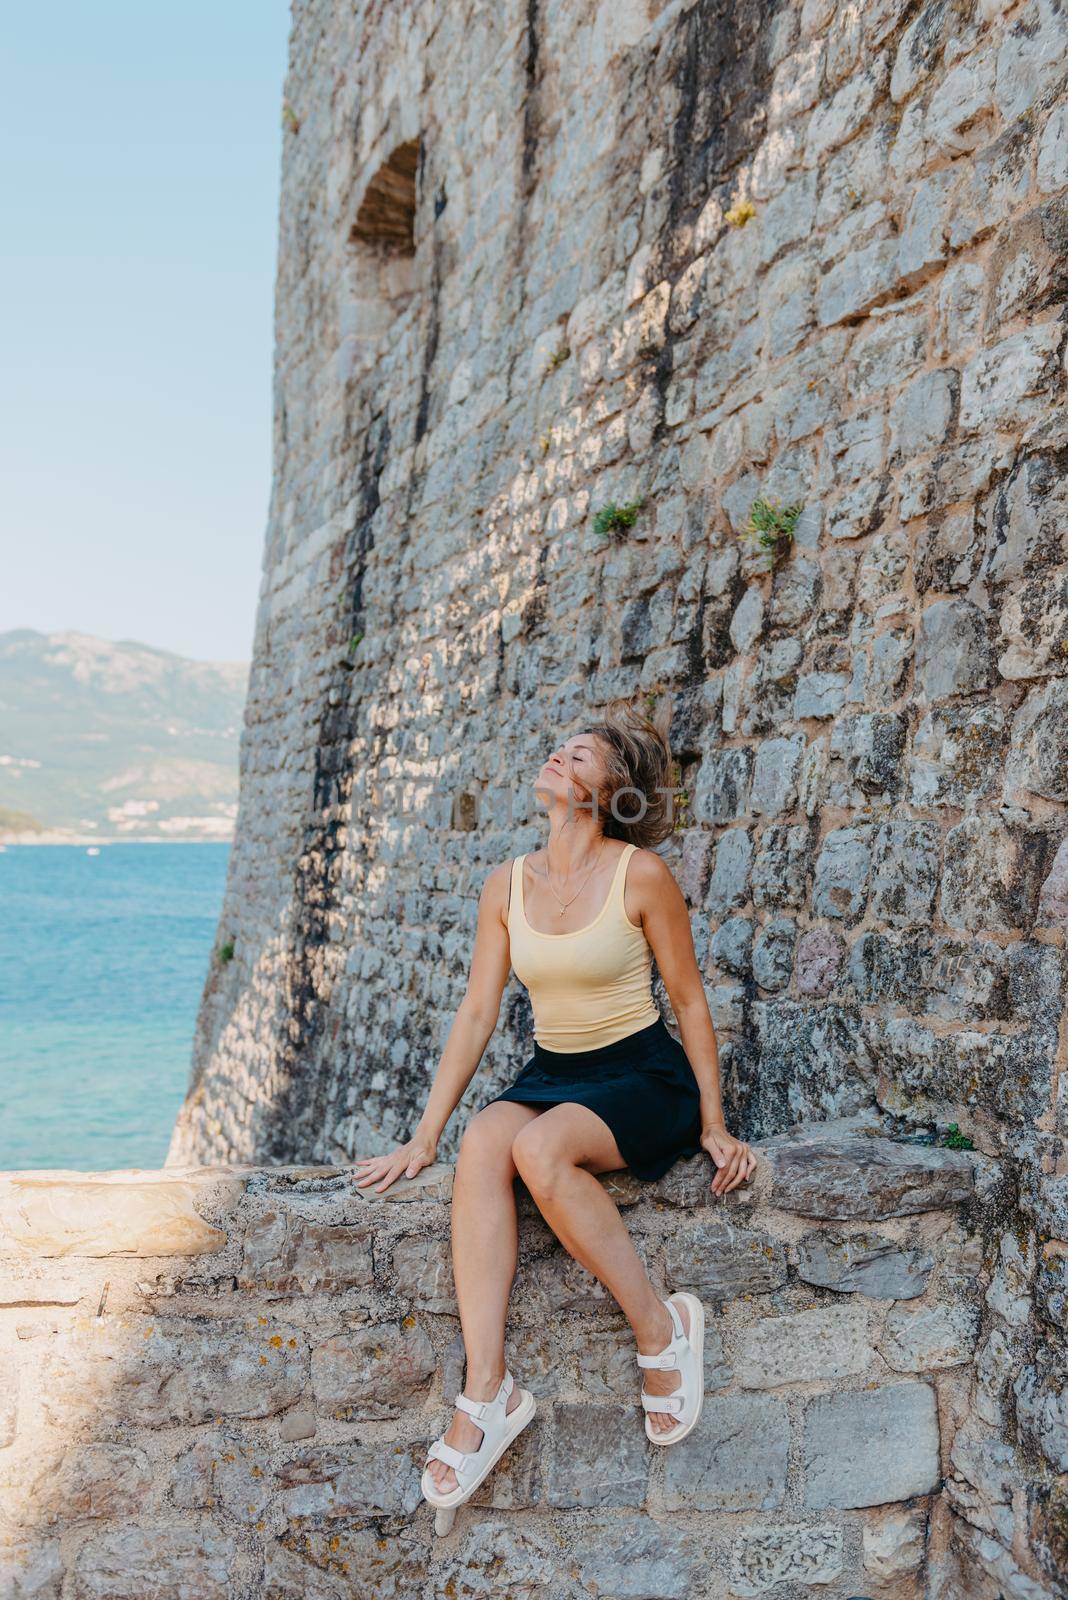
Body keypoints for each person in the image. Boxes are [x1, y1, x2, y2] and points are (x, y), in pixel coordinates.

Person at [353, 706, 756, 1514]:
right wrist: (423, 1135)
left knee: (538, 1153)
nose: (558, 757)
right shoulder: (506, 882)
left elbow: (688, 1000)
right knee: (481, 1145)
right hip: (554, 1072)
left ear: (608, 794)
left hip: (643, 1076)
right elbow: (476, 1012)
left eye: (580, 756)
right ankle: (489, 1390)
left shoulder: (639, 875)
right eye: (560, 748)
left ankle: (661, 1330)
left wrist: (712, 1121)